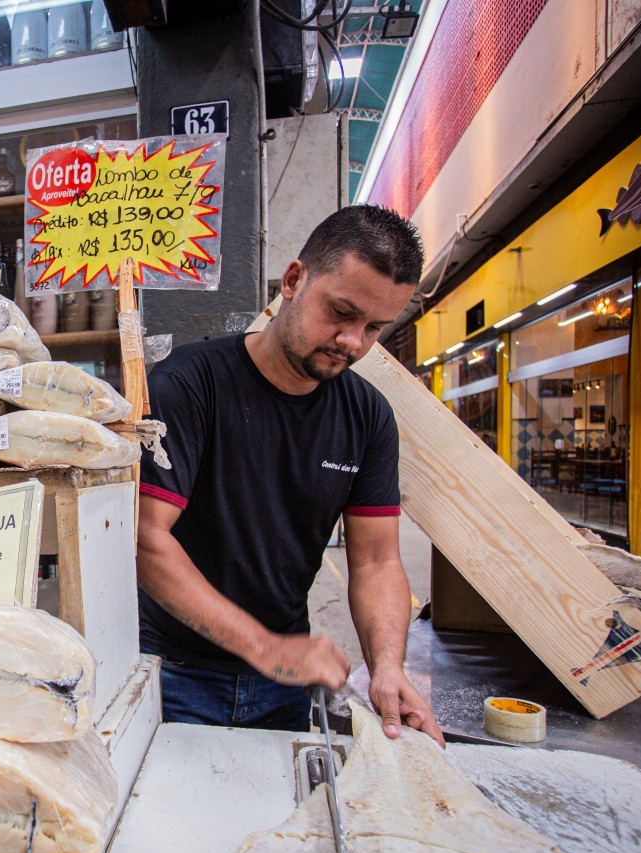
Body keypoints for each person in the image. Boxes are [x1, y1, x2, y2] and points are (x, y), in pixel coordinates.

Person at [136, 204, 445, 747]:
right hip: (171, 674)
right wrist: (267, 648)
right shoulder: (187, 384)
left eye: (374, 327)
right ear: (295, 281)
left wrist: (387, 666)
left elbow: (376, 559)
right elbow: (145, 539)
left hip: (283, 689)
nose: (353, 341)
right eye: (341, 312)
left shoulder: (368, 417)